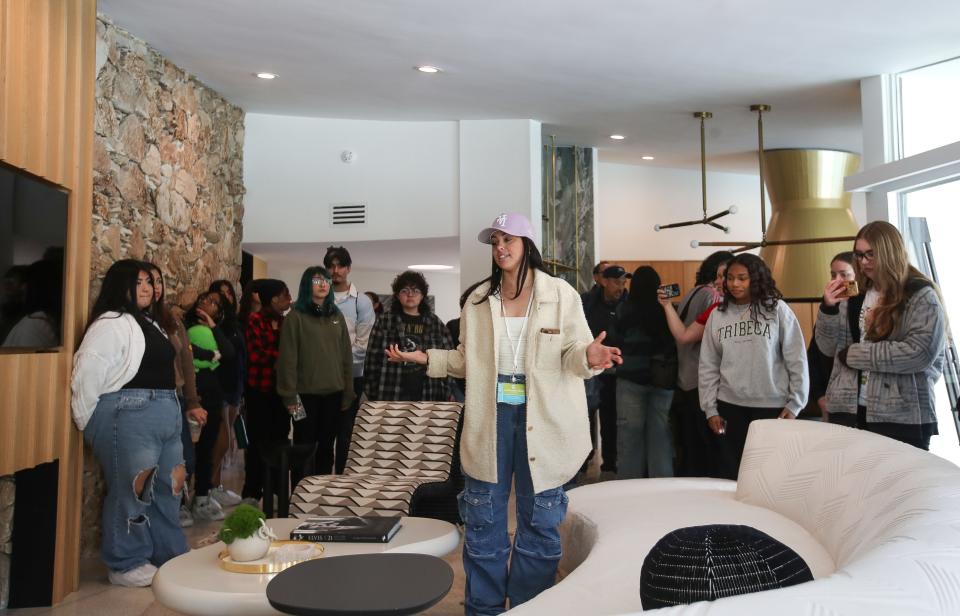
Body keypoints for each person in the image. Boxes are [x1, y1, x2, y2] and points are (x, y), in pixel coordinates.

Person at [385, 212, 622, 615]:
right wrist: (424, 357)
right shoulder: (478, 300)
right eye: (495, 241)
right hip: (489, 417)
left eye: (508, 239)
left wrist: (591, 355)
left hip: (544, 419)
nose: (500, 248)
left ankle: (528, 608)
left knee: (540, 522)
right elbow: (466, 360)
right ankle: (484, 608)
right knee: (482, 519)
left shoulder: (560, 295)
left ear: (528, 245)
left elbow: (574, 354)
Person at [71, 259, 188, 587]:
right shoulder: (110, 322)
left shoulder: (152, 322)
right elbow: (87, 372)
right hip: (130, 411)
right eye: (138, 282)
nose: (147, 288)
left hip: (165, 410)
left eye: (149, 282)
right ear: (119, 286)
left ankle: (168, 553)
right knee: (133, 490)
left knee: (170, 485)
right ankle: (126, 562)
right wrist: (90, 422)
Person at [816, 221, 945, 450]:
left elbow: (919, 353)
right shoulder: (855, 293)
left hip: (901, 415)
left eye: (870, 254)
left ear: (889, 251)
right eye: (859, 255)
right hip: (849, 408)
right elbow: (827, 348)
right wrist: (828, 308)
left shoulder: (920, 294)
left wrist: (855, 354)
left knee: (900, 485)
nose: (864, 262)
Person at [699, 253, 808, 479]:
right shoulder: (718, 315)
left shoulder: (777, 310)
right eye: (730, 278)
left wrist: (795, 403)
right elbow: (708, 364)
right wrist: (710, 408)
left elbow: (796, 359)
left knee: (769, 476)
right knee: (731, 475)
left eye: (742, 278)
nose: (735, 284)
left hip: (772, 407)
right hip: (729, 407)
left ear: (756, 279)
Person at [277, 267, 354, 483]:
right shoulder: (295, 317)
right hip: (302, 398)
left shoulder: (336, 315)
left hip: (334, 396)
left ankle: (321, 494)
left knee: (327, 447)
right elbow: (287, 360)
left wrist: (348, 392)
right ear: (306, 285)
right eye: (317, 280)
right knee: (303, 446)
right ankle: (300, 495)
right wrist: (290, 398)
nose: (323, 284)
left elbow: (346, 357)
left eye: (326, 280)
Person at [145, 264, 208, 529]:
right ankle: (155, 517)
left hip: (176, 398)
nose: (155, 287)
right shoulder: (132, 321)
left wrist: (192, 402)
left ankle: (176, 505)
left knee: (186, 460)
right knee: (151, 464)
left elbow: (186, 361)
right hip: (147, 402)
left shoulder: (171, 319)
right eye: (148, 281)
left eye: (158, 280)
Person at [658, 251, 732, 476]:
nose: (722, 282)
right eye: (721, 276)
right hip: (704, 383)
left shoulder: (693, 292)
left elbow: (682, 336)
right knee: (711, 449)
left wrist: (667, 306)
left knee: (693, 447)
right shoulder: (713, 301)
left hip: (687, 379)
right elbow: (687, 336)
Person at [609, 266, 678, 479]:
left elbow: (614, 342)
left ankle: (629, 490)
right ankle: (662, 490)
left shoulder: (623, 310)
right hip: (663, 381)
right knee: (661, 439)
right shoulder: (668, 309)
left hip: (630, 381)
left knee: (630, 440)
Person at [240, 279, 293, 506]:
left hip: (283, 392)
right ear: (273, 299)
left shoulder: (285, 321)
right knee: (258, 442)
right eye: (285, 295)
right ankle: (252, 492)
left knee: (281, 440)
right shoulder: (255, 320)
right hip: (259, 391)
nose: (289, 299)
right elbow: (256, 354)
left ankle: (278, 489)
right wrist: (283, 360)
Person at [183, 290, 235, 520]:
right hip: (193, 395)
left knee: (206, 449)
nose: (206, 303)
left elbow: (229, 354)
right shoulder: (183, 327)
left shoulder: (215, 330)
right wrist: (212, 356)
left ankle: (201, 498)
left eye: (213, 303)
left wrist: (213, 327)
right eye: (204, 298)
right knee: (186, 451)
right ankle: (181, 502)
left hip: (212, 396)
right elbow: (186, 357)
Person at [324, 246, 376, 473]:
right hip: (321, 379)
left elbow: (363, 344)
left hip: (351, 378)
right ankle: (319, 484)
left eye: (340, 266)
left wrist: (337, 363)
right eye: (331, 266)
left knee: (346, 435)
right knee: (323, 435)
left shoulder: (361, 302)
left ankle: (342, 485)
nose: (335, 271)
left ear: (348, 268)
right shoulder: (319, 298)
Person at [364, 271, 454, 401]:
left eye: (416, 290)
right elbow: (371, 359)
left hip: (430, 392)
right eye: (404, 291)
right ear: (397, 295)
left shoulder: (435, 323)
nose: (410, 294)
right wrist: (372, 391)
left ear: (422, 295)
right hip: (389, 390)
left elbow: (448, 358)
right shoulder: (385, 321)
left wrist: (446, 389)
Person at [582, 264, 630, 479]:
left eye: (623, 282)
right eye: (617, 282)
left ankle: (609, 464)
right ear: (603, 281)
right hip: (589, 371)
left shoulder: (628, 304)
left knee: (612, 419)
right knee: (585, 417)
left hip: (616, 373)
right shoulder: (587, 302)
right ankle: (583, 460)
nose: (621, 287)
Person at [207, 280, 245, 508]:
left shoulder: (233, 323)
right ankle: (210, 487)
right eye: (219, 295)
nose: (225, 298)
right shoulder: (214, 325)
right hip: (219, 385)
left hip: (234, 385)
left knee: (227, 437)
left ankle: (216, 485)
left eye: (228, 293)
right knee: (221, 439)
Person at [804, 252, 855, 421]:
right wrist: (819, 396)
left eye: (844, 274)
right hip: (830, 397)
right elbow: (815, 354)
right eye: (833, 275)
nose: (837, 280)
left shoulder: (867, 305)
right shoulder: (829, 306)